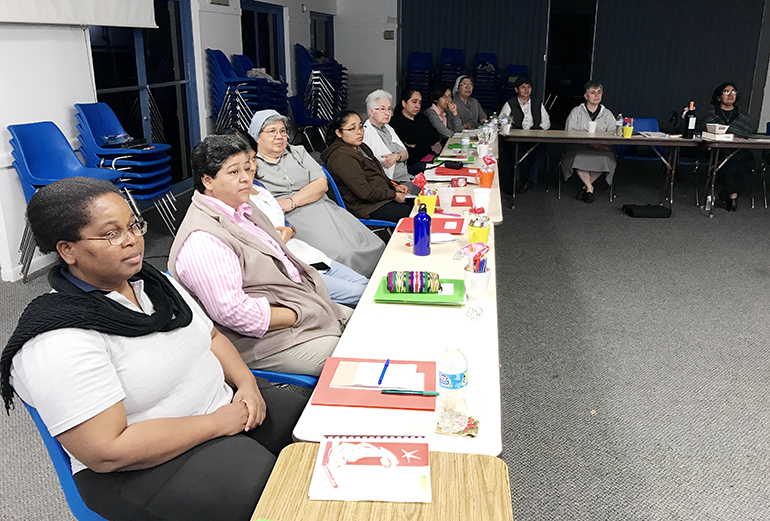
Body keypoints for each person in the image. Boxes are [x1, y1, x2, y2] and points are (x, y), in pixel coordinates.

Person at [0, 177, 306, 521]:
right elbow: (107, 450)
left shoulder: (156, 284)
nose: (132, 240)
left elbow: (212, 338)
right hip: (140, 466)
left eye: (133, 225)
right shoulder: (58, 338)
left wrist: (247, 385)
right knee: (276, 495)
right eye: (111, 233)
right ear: (67, 250)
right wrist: (218, 423)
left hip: (220, 408)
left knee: (313, 422)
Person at [169, 133, 351, 376]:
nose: (246, 178)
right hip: (264, 339)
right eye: (233, 172)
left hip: (299, 305)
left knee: (370, 324)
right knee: (355, 361)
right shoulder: (203, 238)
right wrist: (298, 314)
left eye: (247, 168)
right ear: (207, 180)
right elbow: (235, 314)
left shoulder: (242, 207)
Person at [219, 127, 369, 306]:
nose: (250, 167)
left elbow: (286, 224)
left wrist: (289, 230)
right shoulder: (234, 202)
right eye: (240, 165)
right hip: (287, 269)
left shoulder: (259, 186)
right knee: (363, 295)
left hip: (303, 254)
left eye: (252, 159)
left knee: (366, 285)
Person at [247, 109, 384, 277]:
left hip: (320, 205)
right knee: (343, 254)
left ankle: (376, 284)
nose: (280, 136)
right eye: (272, 131)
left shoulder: (298, 151)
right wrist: (289, 205)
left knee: (374, 244)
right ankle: (356, 290)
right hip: (290, 217)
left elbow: (321, 184)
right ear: (256, 136)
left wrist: (292, 201)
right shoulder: (251, 163)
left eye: (283, 131)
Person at [321, 110, 413, 223]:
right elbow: (364, 192)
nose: (359, 132)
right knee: (415, 216)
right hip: (366, 207)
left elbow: (376, 174)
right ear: (339, 133)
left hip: (379, 199)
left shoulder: (361, 147)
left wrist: (393, 186)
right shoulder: (341, 157)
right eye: (351, 129)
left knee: (420, 204)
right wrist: (394, 195)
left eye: (360, 127)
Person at [700, 82, 755, 211]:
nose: (730, 95)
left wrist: (728, 132)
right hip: (716, 149)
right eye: (726, 92)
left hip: (739, 149)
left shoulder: (742, 115)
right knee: (727, 161)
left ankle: (726, 194)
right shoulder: (712, 113)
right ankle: (732, 195)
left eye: (733, 92)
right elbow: (706, 129)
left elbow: (746, 131)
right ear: (719, 97)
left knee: (749, 162)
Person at [561, 81, 617, 204]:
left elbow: (613, 133)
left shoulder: (607, 114)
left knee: (604, 159)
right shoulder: (576, 112)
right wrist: (586, 142)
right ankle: (590, 188)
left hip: (601, 148)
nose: (597, 95)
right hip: (579, 147)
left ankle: (586, 187)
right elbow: (569, 132)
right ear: (586, 96)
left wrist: (600, 143)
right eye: (593, 93)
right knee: (577, 157)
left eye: (599, 92)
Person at [362, 89, 421, 194]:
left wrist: (396, 157)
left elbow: (405, 153)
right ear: (371, 111)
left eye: (389, 109)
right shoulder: (366, 134)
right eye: (382, 109)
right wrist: (399, 156)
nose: (387, 113)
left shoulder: (388, 128)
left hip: (405, 178)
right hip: (392, 185)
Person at [500, 75, 551, 194]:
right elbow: (502, 121)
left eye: (529, 87)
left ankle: (529, 180)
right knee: (515, 152)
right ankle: (515, 181)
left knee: (539, 152)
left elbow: (546, 121)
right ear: (516, 90)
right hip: (516, 138)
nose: (526, 90)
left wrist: (538, 131)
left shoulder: (537, 104)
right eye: (523, 87)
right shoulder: (510, 104)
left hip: (533, 137)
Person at [389, 88, 442, 168]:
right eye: (414, 102)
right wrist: (424, 144)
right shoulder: (396, 122)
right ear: (404, 103)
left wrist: (417, 145)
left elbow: (434, 137)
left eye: (419, 102)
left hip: (427, 158)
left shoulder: (422, 118)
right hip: (410, 164)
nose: (417, 106)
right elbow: (406, 150)